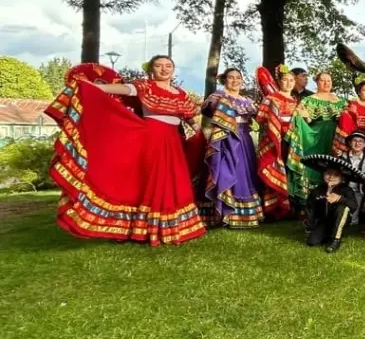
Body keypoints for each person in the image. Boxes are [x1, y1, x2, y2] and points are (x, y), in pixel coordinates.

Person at [46, 56, 206, 246]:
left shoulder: (181, 94)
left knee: (173, 182)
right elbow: (118, 89)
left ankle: (169, 229)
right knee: (149, 182)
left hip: (173, 142)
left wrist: (199, 134)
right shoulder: (145, 87)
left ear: (174, 69)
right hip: (151, 139)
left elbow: (188, 118)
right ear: (151, 69)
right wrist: (89, 86)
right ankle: (142, 229)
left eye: (168, 66)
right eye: (159, 66)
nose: (164, 69)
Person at [196, 68, 263, 229]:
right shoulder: (218, 96)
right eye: (231, 78)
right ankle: (226, 211)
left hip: (244, 139)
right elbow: (207, 109)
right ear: (225, 80)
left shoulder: (247, 101)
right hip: (226, 141)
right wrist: (221, 105)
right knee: (229, 171)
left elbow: (259, 116)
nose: (234, 81)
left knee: (245, 173)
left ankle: (245, 214)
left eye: (238, 78)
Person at [286, 71, 346, 208]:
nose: (326, 83)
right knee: (315, 165)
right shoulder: (309, 100)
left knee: (333, 165)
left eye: (329, 80)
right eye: (323, 80)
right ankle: (309, 201)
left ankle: (332, 199)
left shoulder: (341, 101)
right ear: (317, 82)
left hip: (335, 137)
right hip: (315, 136)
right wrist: (305, 117)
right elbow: (301, 118)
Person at [255, 65, 300, 218]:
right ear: (279, 82)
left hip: (291, 140)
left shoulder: (295, 101)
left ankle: (289, 206)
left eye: (291, 80)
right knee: (274, 168)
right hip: (274, 140)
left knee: (288, 171)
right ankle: (273, 208)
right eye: (285, 80)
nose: (288, 83)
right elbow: (260, 118)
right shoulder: (270, 98)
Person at [301, 154, 360, 253]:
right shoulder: (317, 190)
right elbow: (310, 209)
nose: (331, 177)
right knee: (311, 242)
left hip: (339, 221)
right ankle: (326, 234)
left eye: (336, 174)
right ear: (324, 174)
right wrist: (310, 227)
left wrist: (340, 198)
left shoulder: (346, 190)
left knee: (342, 208)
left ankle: (336, 240)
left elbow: (354, 205)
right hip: (323, 222)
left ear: (342, 177)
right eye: (328, 173)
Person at [341, 132, 365, 226]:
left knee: (353, 221)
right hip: (342, 192)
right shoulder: (342, 157)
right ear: (350, 142)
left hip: (358, 193)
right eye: (355, 140)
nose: (357, 143)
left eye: (361, 141)